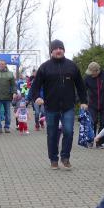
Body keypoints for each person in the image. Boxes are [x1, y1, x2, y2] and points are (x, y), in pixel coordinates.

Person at [28, 39, 87, 169]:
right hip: (51, 106)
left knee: (69, 131)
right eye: (56, 49)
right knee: (52, 134)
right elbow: (35, 86)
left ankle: (65, 157)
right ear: (51, 51)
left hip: (68, 106)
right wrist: (37, 97)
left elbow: (80, 85)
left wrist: (84, 101)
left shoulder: (72, 66)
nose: (58, 50)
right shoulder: (44, 67)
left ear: (64, 50)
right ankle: (53, 159)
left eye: (61, 48)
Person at [0, 60, 16, 134]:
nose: (1, 65)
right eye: (0, 64)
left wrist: (14, 92)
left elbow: (13, 85)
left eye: (2, 64)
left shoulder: (10, 74)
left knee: (7, 113)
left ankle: (7, 127)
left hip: (7, 96)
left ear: (5, 65)